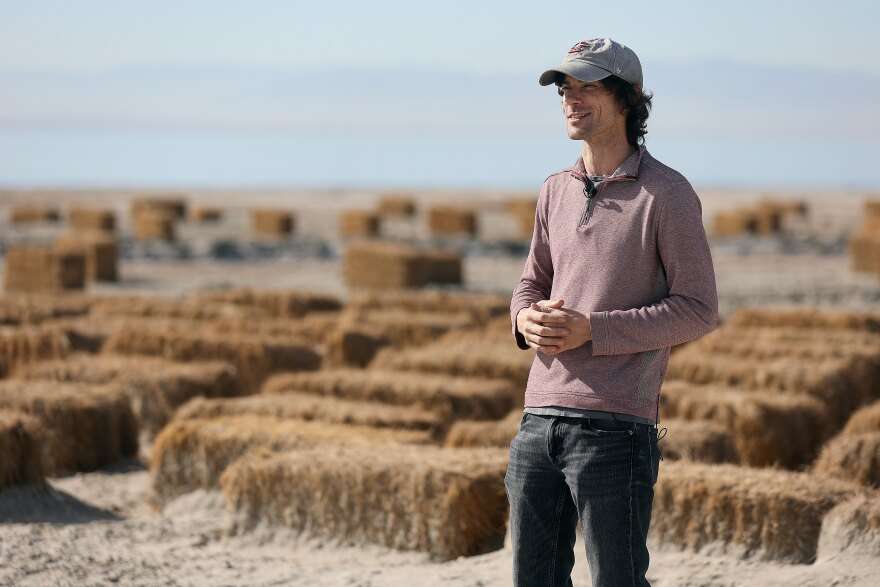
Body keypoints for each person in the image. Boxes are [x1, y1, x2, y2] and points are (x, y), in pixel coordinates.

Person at [505, 38, 720, 587]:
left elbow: (697, 309)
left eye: (587, 87)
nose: (570, 99)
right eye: (564, 88)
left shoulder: (667, 194)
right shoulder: (554, 189)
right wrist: (524, 321)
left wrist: (592, 331)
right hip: (538, 421)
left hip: (616, 427)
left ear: (627, 99)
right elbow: (531, 283)